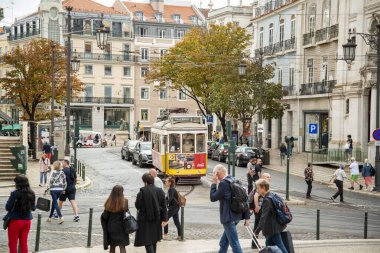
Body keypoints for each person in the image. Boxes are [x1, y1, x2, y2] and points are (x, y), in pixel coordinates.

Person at [210, 164, 250, 253]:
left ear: (217, 173)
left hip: (228, 218)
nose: (213, 175)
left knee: (234, 244)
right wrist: (247, 216)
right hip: (237, 216)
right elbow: (245, 198)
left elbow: (213, 197)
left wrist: (213, 183)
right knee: (224, 242)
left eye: (214, 173)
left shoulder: (224, 184)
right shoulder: (235, 180)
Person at [134, 173, 168, 253]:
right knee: (154, 240)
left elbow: (137, 205)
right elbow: (164, 206)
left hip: (145, 220)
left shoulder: (142, 192)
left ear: (145, 181)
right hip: (157, 219)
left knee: (147, 241)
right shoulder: (160, 191)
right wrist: (165, 219)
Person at [254, 179, 288, 253]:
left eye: (258, 188)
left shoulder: (267, 200)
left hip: (272, 229)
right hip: (273, 228)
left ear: (263, 188)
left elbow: (263, 217)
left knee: (281, 247)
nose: (257, 190)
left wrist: (257, 230)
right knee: (268, 246)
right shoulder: (272, 195)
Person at [6, 175, 36, 253]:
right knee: (24, 243)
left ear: (18, 184)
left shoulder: (15, 193)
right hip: (27, 221)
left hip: (15, 221)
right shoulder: (32, 193)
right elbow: (33, 208)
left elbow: (8, 207)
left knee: (13, 243)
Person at [101, 185, 129, 253]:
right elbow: (127, 215)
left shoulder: (109, 202)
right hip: (122, 228)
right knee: (122, 246)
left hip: (111, 228)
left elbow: (104, 216)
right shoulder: (125, 201)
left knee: (112, 247)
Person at [251, 173, 271, 249]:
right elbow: (256, 195)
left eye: (270, 177)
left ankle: (254, 243)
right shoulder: (260, 185)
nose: (269, 178)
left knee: (258, 226)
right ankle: (255, 243)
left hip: (262, 208)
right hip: (260, 209)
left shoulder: (265, 185)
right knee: (260, 225)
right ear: (263, 177)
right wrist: (257, 206)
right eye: (267, 177)